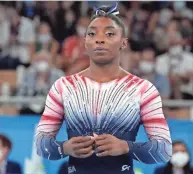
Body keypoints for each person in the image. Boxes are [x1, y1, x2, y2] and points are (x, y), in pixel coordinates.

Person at [35, 3, 172, 174]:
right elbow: (41, 145)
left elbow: (164, 150)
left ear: (123, 43)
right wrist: (64, 148)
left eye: (109, 34)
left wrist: (126, 147)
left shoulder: (143, 90)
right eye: (92, 34)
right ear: (85, 42)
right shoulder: (63, 87)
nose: (100, 39)